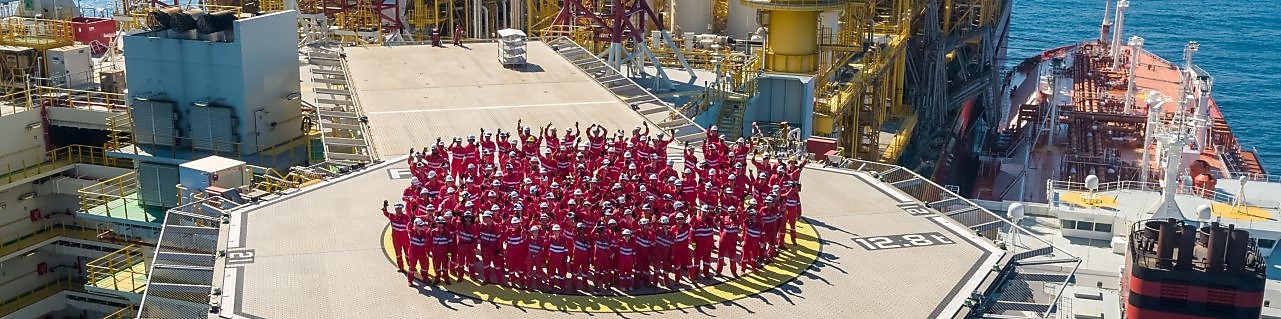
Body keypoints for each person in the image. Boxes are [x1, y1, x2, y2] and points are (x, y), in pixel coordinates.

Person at [382, 200, 411, 272]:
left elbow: (410, 227)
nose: (398, 210)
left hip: (405, 239)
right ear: (395, 209)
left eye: (400, 209)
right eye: (397, 209)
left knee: (408, 253)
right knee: (398, 254)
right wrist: (385, 208)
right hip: (396, 240)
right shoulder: (392, 216)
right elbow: (386, 214)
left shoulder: (406, 217)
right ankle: (401, 267)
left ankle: (410, 266)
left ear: (402, 209)